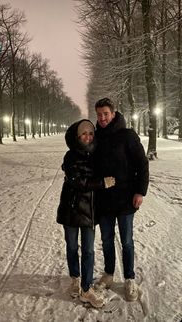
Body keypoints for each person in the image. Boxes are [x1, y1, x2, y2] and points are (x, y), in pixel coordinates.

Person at [93, 97, 149, 301]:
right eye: (99, 114)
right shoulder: (96, 138)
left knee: (126, 241)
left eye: (105, 114)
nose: (102, 118)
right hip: (104, 200)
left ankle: (129, 278)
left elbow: (142, 164)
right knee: (107, 240)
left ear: (113, 114)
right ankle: (108, 274)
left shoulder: (128, 136)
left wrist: (140, 192)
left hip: (126, 199)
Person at [57, 119, 115, 308]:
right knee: (72, 246)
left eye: (90, 133)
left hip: (90, 210)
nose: (88, 136)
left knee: (89, 250)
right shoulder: (70, 156)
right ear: (77, 136)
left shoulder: (97, 154)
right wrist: (101, 183)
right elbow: (77, 181)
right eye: (84, 133)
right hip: (72, 208)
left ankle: (86, 288)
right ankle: (75, 277)